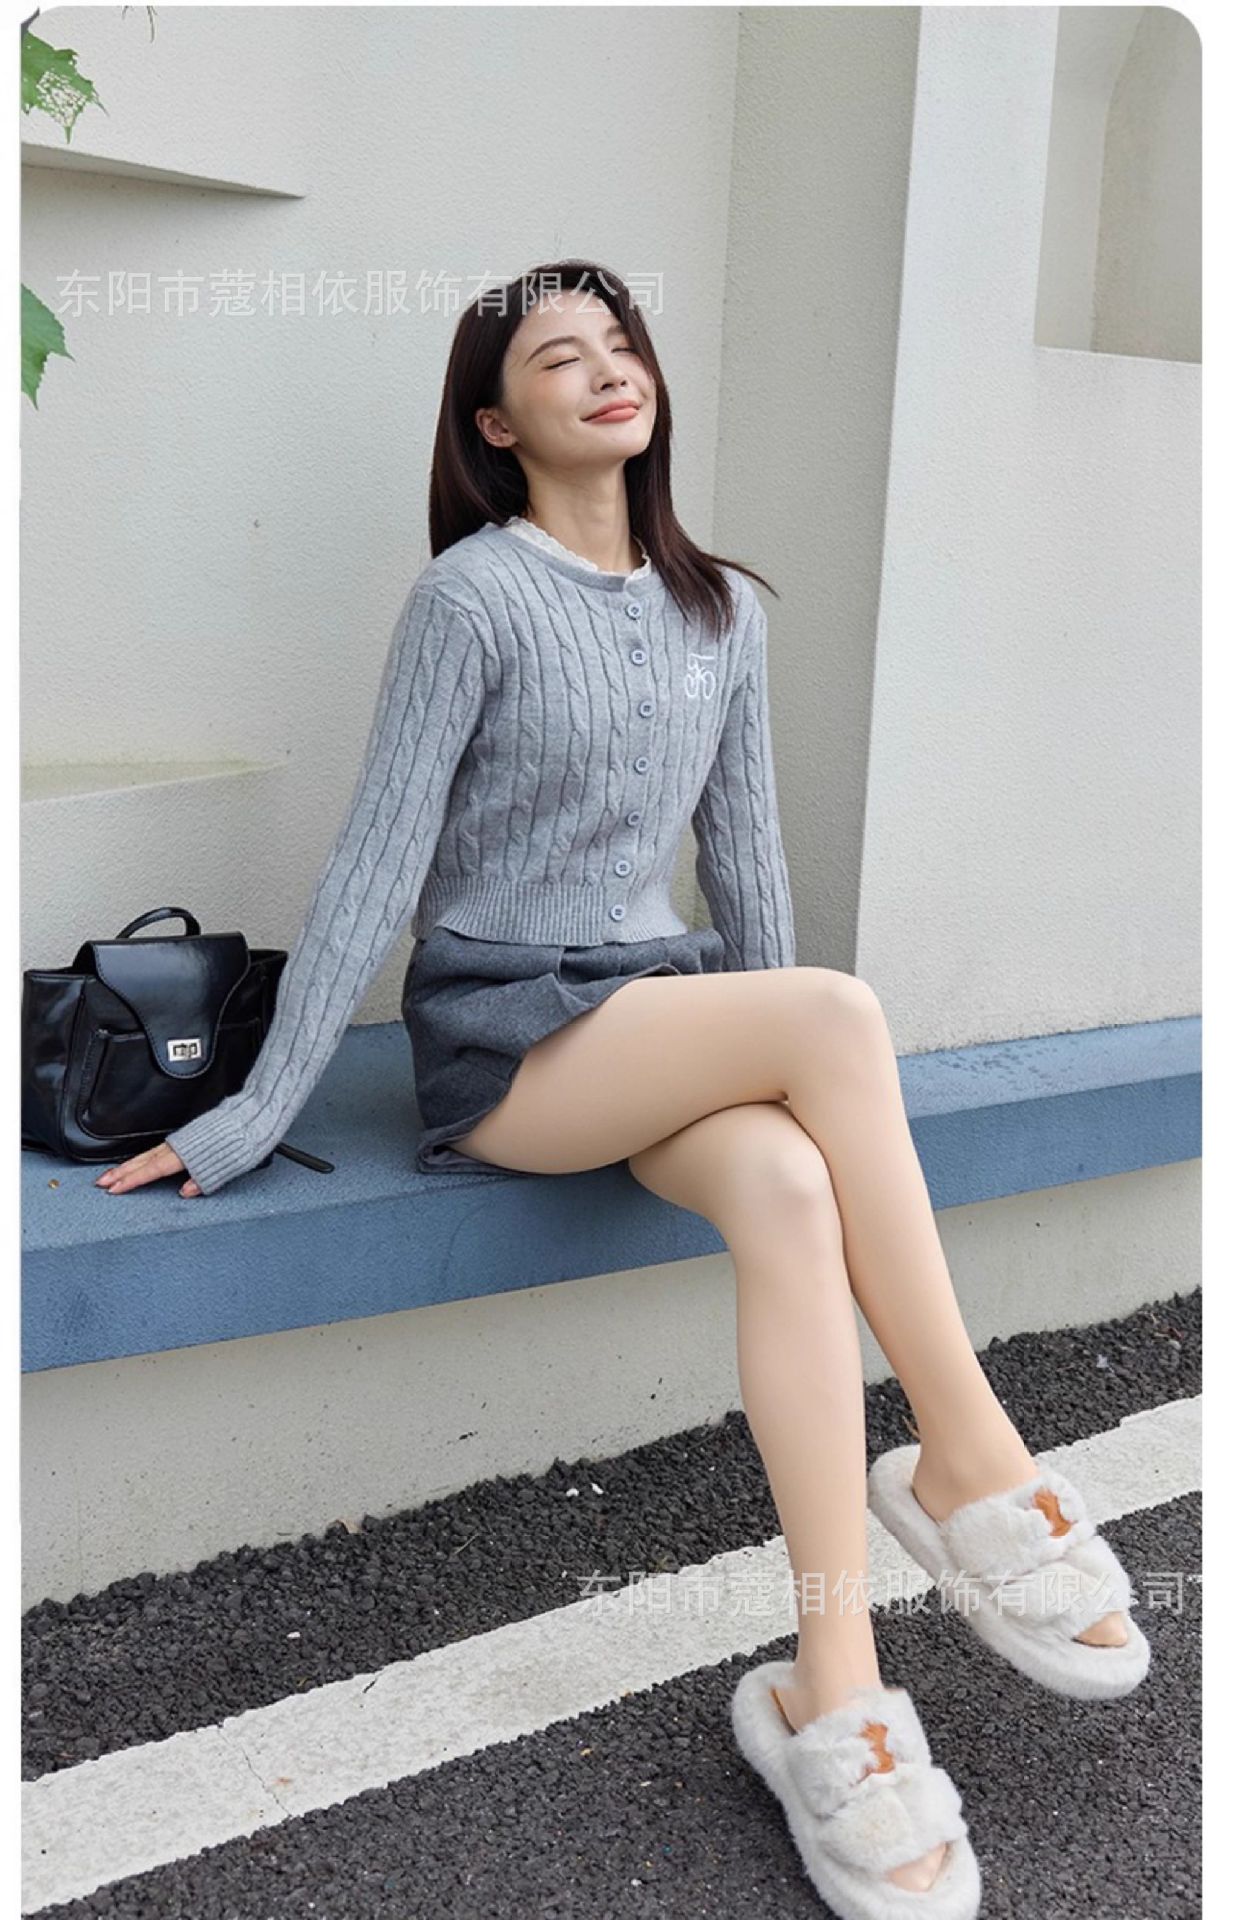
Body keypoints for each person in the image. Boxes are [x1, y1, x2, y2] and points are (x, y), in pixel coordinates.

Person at [93, 261, 1144, 1914]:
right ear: (497, 425)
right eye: (557, 358)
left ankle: (835, 1687)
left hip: (656, 1013)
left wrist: (794, 1088)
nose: (607, 370)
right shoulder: (469, 602)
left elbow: (749, 869)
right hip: (511, 1040)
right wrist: (247, 1116)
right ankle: (972, 1458)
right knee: (837, 1016)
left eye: (621, 344)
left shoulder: (721, 610)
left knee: (789, 1182)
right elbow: (376, 863)